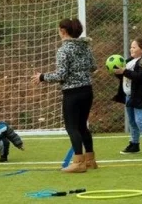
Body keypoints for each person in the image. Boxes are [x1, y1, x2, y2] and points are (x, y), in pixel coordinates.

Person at [31, 18, 98, 173]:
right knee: (82, 126)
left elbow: (61, 75)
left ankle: (78, 162)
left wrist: (42, 77)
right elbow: (93, 66)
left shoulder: (63, 50)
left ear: (63, 31)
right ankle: (90, 160)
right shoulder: (85, 47)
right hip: (87, 90)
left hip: (72, 93)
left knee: (72, 127)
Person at [111, 38, 142, 155]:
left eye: (134, 47)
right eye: (131, 47)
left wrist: (124, 72)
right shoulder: (129, 61)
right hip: (129, 96)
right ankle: (134, 144)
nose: (131, 49)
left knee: (140, 121)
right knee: (132, 122)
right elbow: (126, 77)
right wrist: (118, 72)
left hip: (140, 96)